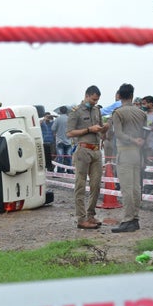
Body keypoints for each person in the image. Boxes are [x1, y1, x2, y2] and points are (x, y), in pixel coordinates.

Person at [67, 85, 109, 229]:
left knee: (96, 185)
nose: (95, 102)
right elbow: (70, 133)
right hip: (83, 150)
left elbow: (102, 132)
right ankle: (81, 218)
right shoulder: (76, 111)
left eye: (97, 100)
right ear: (86, 95)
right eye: (93, 99)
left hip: (97, 150)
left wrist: (104, 130)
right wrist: (88, 129)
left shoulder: (97, 110)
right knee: (80, 185)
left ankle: (91, 215)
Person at [110, 84, 146, 233]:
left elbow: (118, 134)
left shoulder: (117, 113)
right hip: (138, 154)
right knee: (136, 188)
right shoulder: (141, 113)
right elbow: (145, 134)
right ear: (132, 95)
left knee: (127, 189)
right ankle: (135, 218)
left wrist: (131, 139)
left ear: (119, 95)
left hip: (125, 152)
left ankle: (127, 219)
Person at [141, 96, 153, 194]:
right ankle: (147, 184)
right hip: (145, 144)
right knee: (145, 165)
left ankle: (152, 185)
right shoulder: (143, 115)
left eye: (145, 103)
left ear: (151, 103)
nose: (143, 105)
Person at [52, 106, 72, 174]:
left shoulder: (58, 119)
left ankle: (60, 171)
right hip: (68, 141)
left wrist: (58, 131)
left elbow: (53, 129)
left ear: (60, 111)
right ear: (67, 111)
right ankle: (70, 170)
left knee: (60, 157)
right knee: (68, 157)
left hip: (59, 141)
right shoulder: (70, 119)